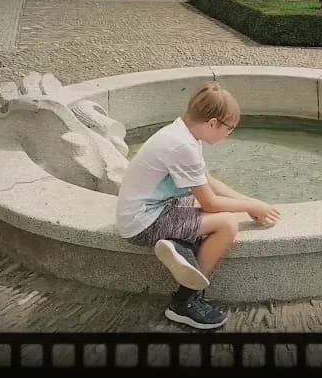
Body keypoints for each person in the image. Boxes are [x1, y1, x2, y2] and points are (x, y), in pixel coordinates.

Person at [115, 82, 281, 330]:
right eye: (229, 128)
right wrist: (248, 206)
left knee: (217, 209)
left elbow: (207, 182)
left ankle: (180, 246)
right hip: (144, 223)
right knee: (227, 224)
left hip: (152, 210)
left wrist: (250, 204)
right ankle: (185, 301)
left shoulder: (182, 133)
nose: (228, 135)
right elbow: (210, 203)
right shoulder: (183, 146)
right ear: (213, 123)